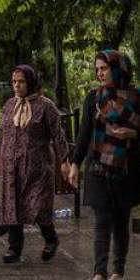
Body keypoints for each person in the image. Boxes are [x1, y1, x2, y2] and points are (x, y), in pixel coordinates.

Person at [68, 50, 140, 280]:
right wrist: (74, 164)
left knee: (121, 222)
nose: (100, 73)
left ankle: (118, 270)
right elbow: (84, 134)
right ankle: (99, 272)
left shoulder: (136, 98)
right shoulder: (93, 98)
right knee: (101, 221)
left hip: (126, 168)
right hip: (98, 167)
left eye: (104, 68)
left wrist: (133, 133)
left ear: (118, 69)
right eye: (97, 69)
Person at [0, 64, 69, 264]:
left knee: (39, 207)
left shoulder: (46, 106)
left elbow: (58, 136)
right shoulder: (10, 105)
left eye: (21, 82)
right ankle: (14, 249)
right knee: (13, 206)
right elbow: (2, 135)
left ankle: (51, 239)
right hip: (11, 166)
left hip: (37, 168)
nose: (16, 86)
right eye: (14, 82)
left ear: (31, 82)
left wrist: (65, 162)